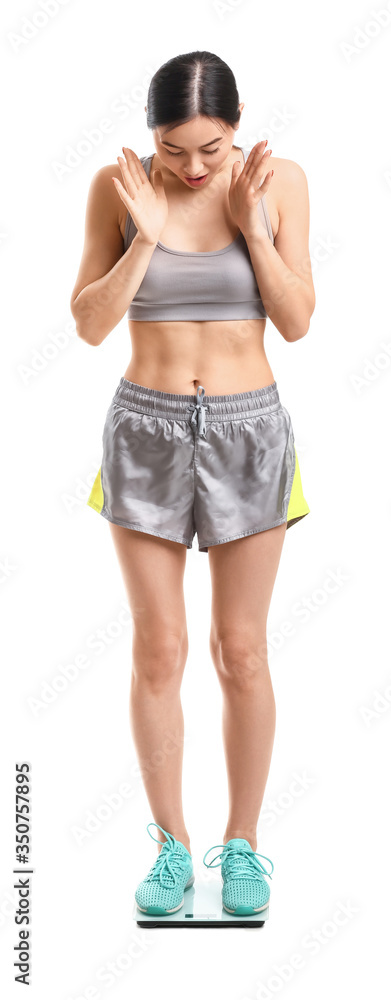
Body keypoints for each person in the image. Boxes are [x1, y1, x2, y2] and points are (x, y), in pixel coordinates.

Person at [70, 50, 314, 918]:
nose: (195, 167)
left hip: (252, 429)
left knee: (240, 651)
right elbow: (90, 325)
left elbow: (295, 320)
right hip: (145, 427)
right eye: (175, 149)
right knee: (159, 649)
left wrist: (251, 225)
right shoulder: (120, 185)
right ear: (151, 134)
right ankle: (171, 848)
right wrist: (143, 230)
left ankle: (242, 846)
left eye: (210, 146)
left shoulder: (276, 182)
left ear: (237, 122)